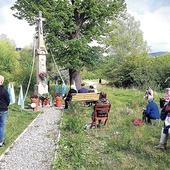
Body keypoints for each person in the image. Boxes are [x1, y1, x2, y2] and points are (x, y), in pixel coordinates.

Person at [0, 75, 10, 147]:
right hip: (3, 110)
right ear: (2, 81)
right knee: (2, 126)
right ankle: (0, 142)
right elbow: (8, 101)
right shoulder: (4, 90)